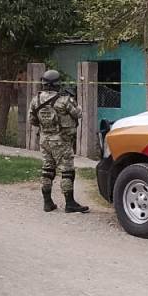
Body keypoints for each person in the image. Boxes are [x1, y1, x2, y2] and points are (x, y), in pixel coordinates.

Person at [28, 69, 88, 213]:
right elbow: (78, 113)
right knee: (67, 171)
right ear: (57, 84)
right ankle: (70, 203)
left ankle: (47, 203)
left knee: (47, 170)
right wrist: (72, 98)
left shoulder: (36, 99)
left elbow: (32, 120)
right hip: (61, 140)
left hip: (44, 140)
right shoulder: (64, 99)